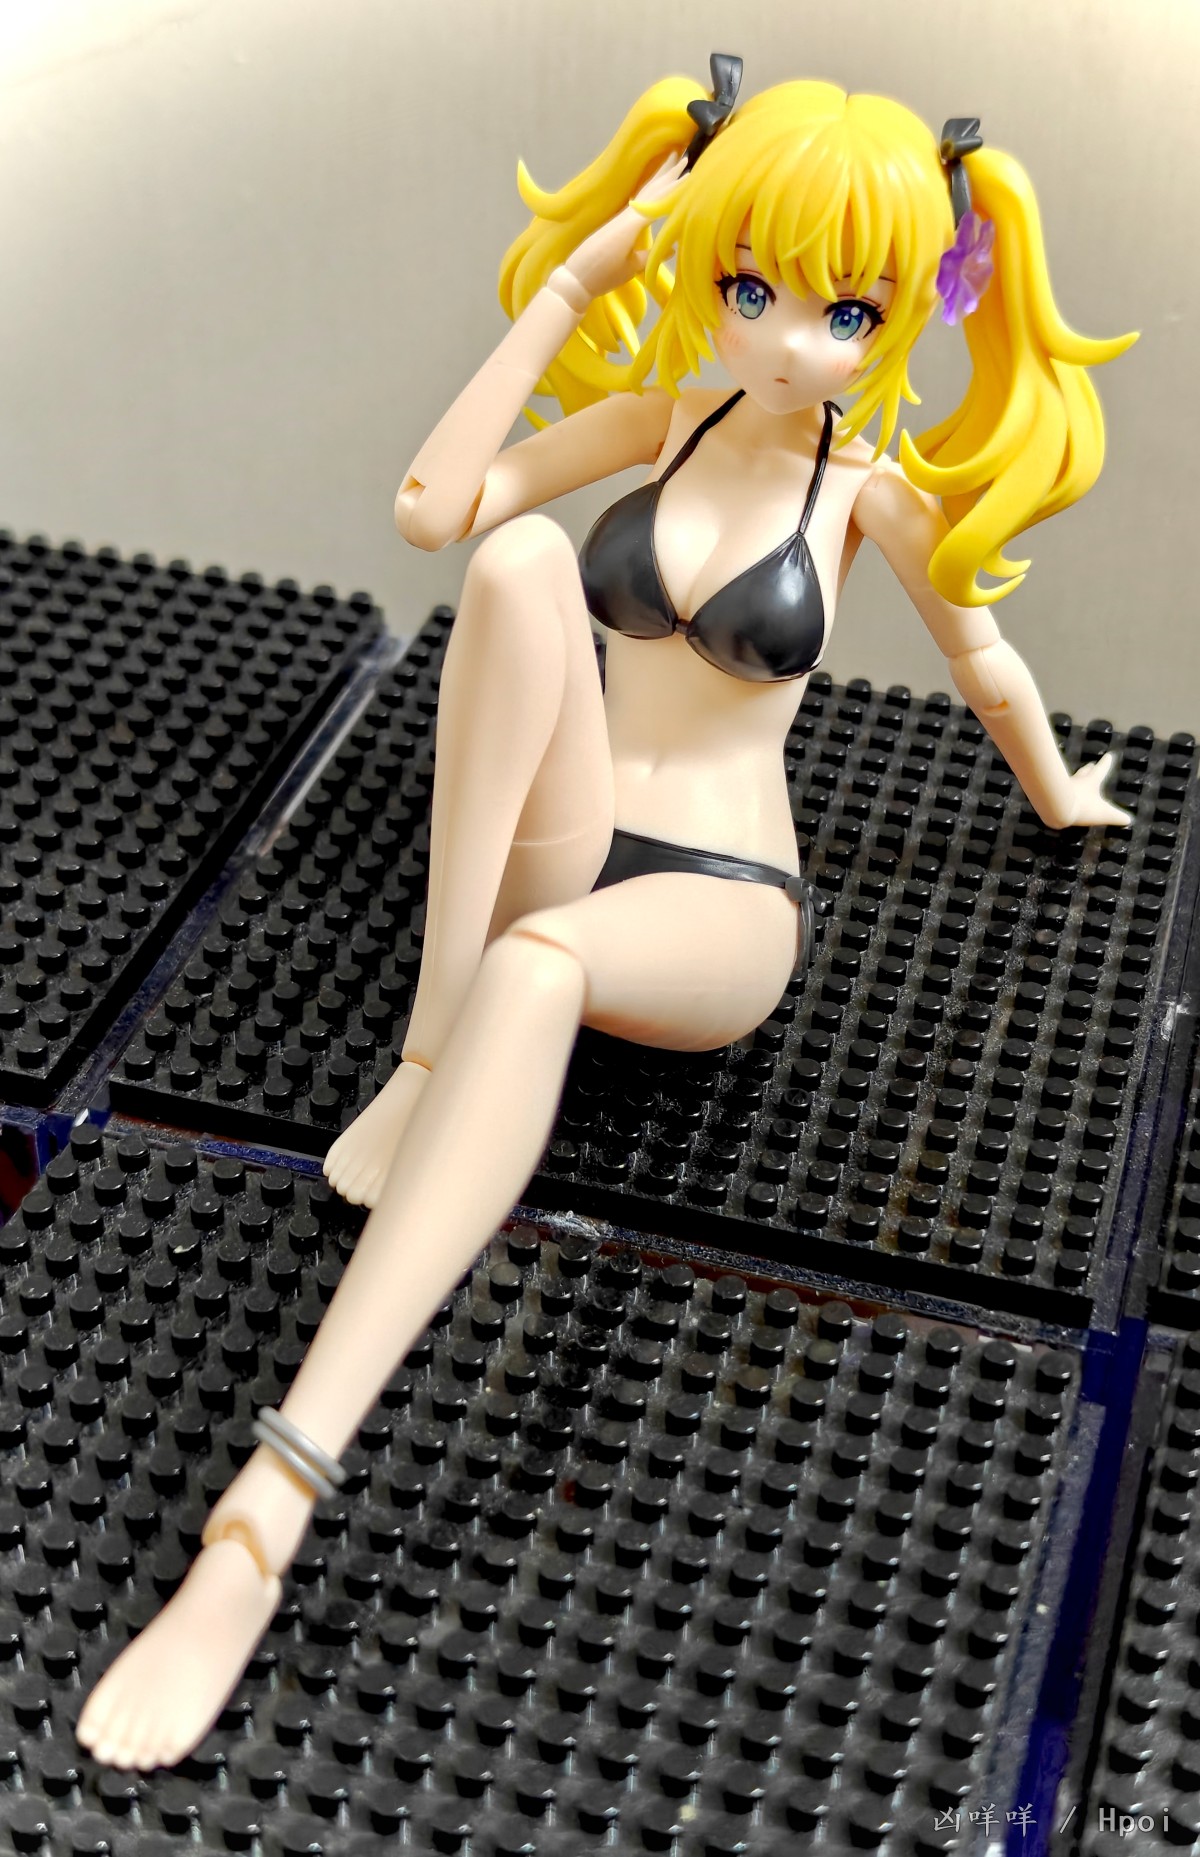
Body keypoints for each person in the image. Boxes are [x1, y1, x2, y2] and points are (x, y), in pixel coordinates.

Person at [77, 61, 1132, 1770]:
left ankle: (264, 1514)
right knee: (513, 569)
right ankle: (428, 1050)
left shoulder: (865, 494)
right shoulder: (663, 420)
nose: (787, 340)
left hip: (719, 905)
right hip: (567, 839)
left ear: (906, 315)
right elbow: (434, 513)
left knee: (544, 959)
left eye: (845, 312)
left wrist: (1058, 791)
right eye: (751, 287)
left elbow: (986, 661)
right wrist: (571, 286)